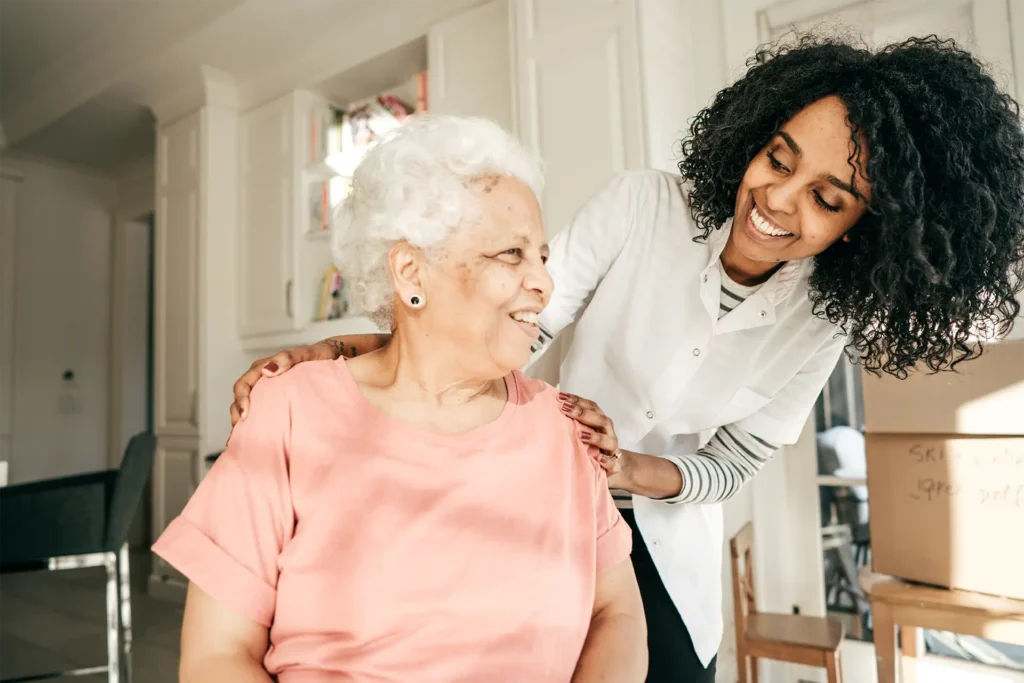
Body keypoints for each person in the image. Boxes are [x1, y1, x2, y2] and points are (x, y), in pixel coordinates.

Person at [228, 35, 1024, 681]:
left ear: (864, 227)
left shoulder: (821, 321)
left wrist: (633, 468)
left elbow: (739, 458)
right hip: (541, 505)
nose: (779, 200)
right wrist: (366, 351)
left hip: (669, 543)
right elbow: (521, 319)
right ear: (754, 138)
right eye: (779, 159)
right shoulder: (645, 207)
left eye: (827, 197)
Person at [154, 116, 647, 682]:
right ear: (412, 271)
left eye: (541, 255)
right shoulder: (287, 411)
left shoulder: (565, 427)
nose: (545, 282)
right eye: (512, 254)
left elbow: (618, 613)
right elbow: (218, 655)